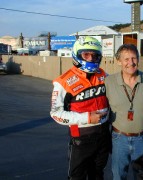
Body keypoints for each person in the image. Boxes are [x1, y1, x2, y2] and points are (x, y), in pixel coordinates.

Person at [50, 36, 111, 180]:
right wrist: (86, 118)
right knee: (77, 176)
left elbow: (122, 84)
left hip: (103, 135)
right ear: (77, 55)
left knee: (97, 174)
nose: (91, 58)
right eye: (86, 54)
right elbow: (55, 113)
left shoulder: (103, 75)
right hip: (81, 139)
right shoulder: (63, 82)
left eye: (95, 55)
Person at [105, 44, 143, 180]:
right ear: (118, 61)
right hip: (118, 139)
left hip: (142, 140)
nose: (131, 63)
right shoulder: (108, 82)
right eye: (126, 59)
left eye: (134, 58)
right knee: (118, 176)